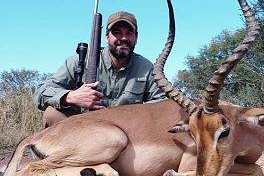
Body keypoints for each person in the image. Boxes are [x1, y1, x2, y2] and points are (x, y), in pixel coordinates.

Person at [33, 11, 166, 128]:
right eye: (117, 33)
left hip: (125, 132)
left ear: (136, 38)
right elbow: (40, 92)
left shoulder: (146, 68)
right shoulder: (81, 61)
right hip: (82, 128)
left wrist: (133, 115)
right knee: (52, 114)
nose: (123, 38)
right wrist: (70, 96)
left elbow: (162, 103)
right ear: (107, 37)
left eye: (129, 33)